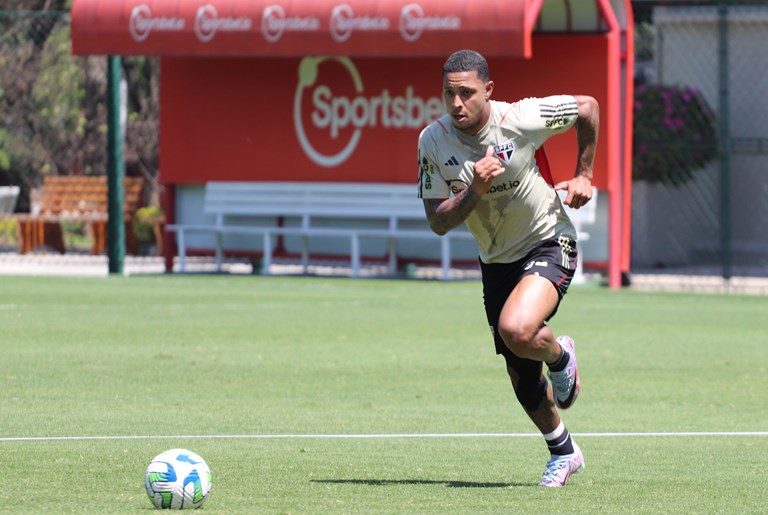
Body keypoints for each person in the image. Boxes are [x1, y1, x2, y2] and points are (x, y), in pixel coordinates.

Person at [418, 49, 598, 487]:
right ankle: (564, 450)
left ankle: (560, 355)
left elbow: (588, 107)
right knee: (520, 370)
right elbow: (438, 221)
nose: (457, 104)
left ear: (488, 91)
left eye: (466, 93)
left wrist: (585, 175)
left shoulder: (521, 118)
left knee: (516, 329)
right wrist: (475, 189)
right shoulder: (433, 141)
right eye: (448, 94)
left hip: (548, 238)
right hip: (496, 260)